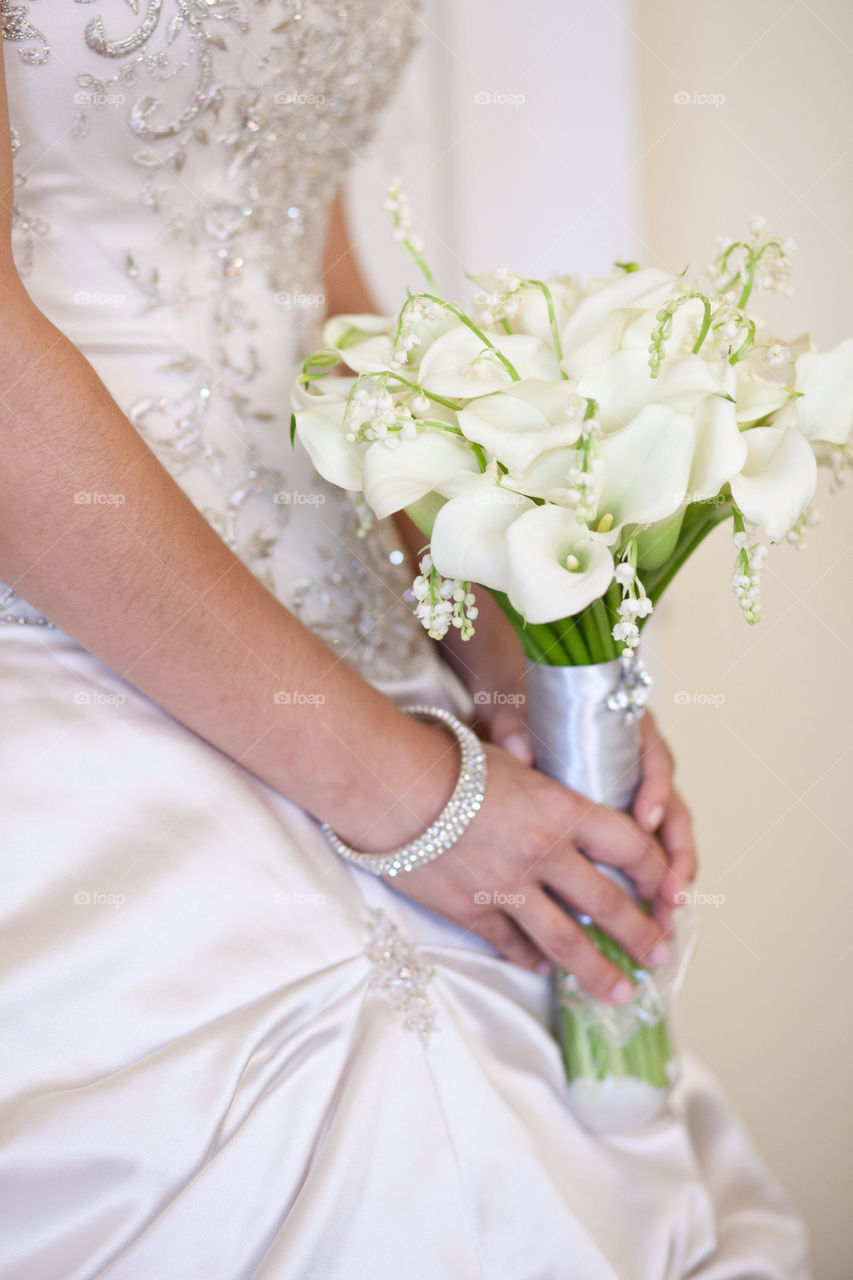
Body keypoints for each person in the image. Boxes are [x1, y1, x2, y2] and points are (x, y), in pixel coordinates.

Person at [0, 2, 809, 1276]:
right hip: (61, 643)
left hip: (381, 639)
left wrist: (511, 645)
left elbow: (303, 276)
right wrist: (411, 795)